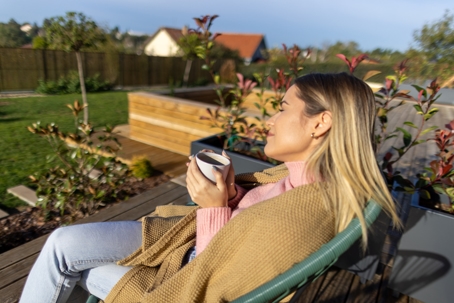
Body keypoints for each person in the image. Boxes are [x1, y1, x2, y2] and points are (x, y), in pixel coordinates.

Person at [20, 72, 401, 303]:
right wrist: (233, 195)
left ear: (320, 123)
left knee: (69, 263)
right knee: (61, 243)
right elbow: (253, 220)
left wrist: (213, 207)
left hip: (186, 274)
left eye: (283, 108)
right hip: (181, 241)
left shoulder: (305, 214)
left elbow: (215, 280)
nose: (271, 119)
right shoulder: (301, 179)